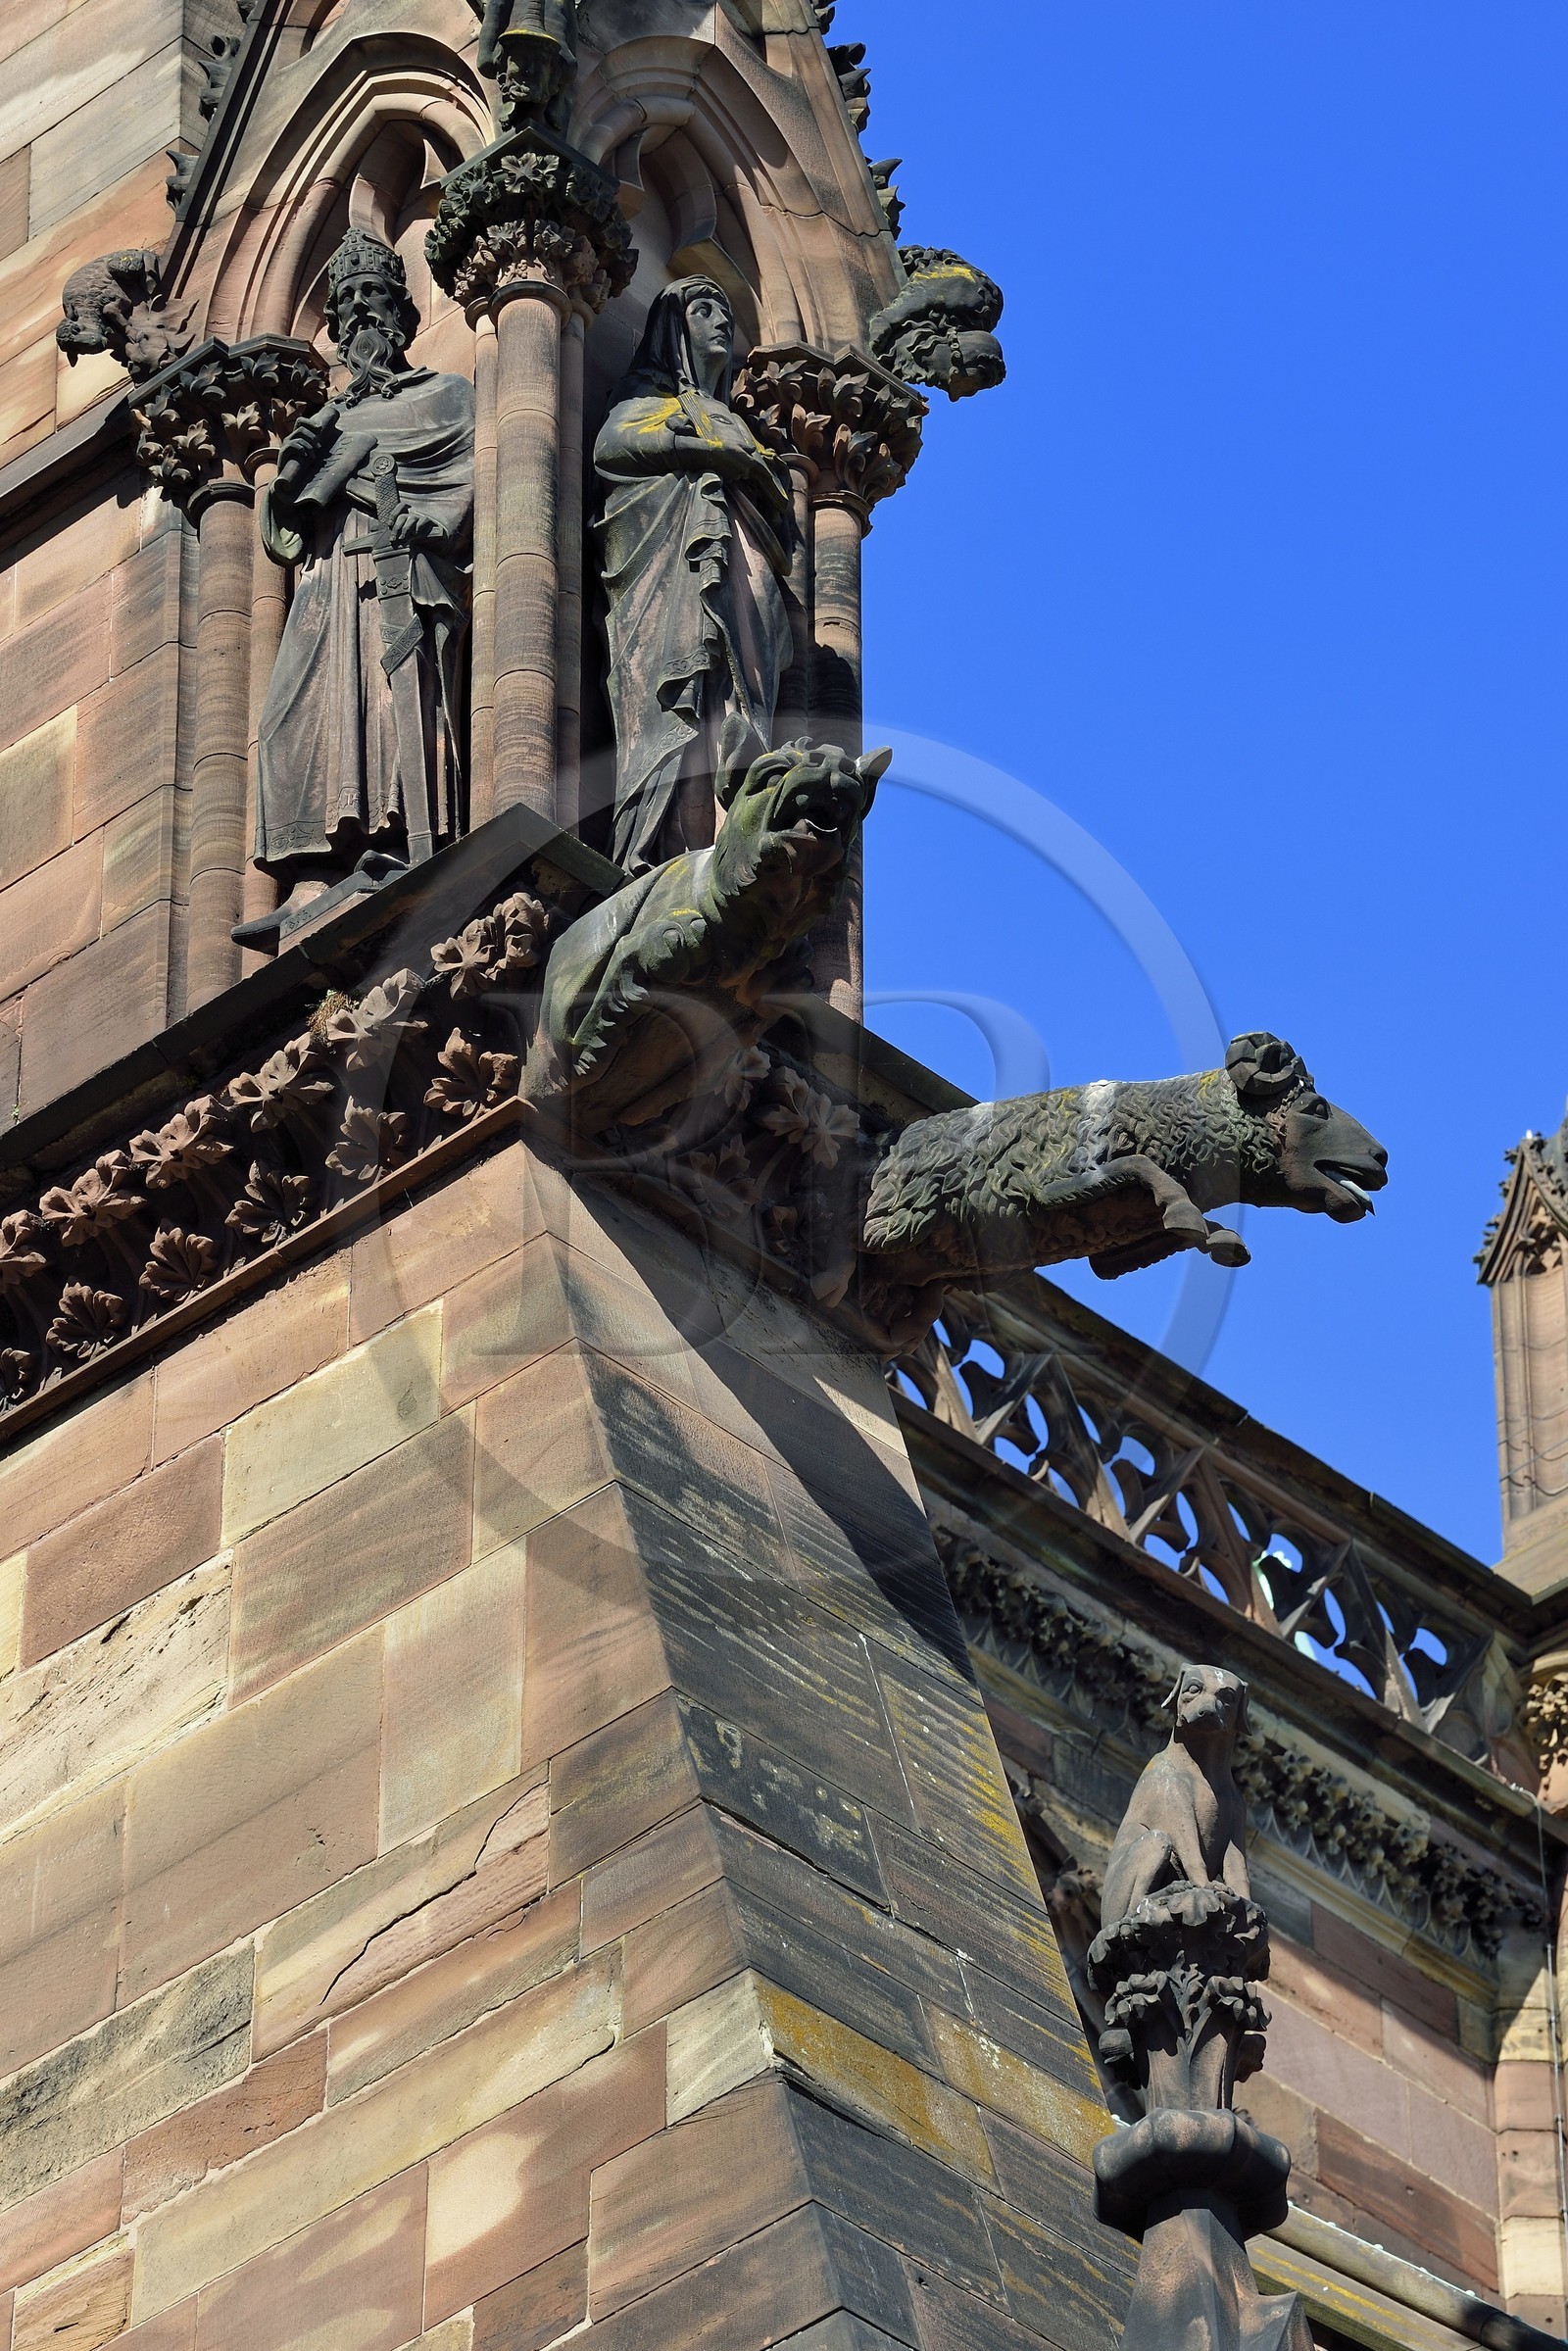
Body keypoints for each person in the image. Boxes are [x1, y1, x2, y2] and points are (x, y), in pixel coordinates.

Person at [234, 228, 474, 946]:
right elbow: (281, 530)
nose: (363, 314)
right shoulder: (327, 418)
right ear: (335, 332)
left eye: (375, 298)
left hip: (397, 569)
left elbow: (471, 475)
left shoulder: (445, 395)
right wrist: (299, 464)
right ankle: (311, 878)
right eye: (348, 305)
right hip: (327, 576)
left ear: (402, 313)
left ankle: (399, 848)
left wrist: (427, 522)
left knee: (384, 699)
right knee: (292, 716)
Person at [593, 276, 795, 873]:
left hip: (742, 558)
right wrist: (706, 452)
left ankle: (737, 821)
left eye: (727, 312)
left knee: (741, 688)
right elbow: (612, 445)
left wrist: (752, 468)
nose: (720, 322)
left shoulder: (734, 422)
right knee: (678, 690)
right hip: (669, 575)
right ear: (673, 328)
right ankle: (666, 847)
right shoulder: (647, 404)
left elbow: (781, 505)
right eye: (703, 309)